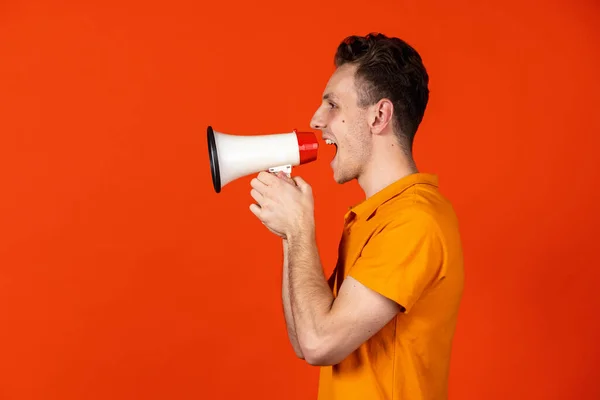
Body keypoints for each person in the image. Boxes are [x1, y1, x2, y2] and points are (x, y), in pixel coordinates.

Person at [248, 32, 464, 400]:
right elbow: (306, 337)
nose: (316, 119)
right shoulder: (374, 218)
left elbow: (320, 344)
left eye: (332, 104)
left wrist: (300, 230)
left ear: (379, 115)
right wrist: (289, 233)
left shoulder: (414, 221)